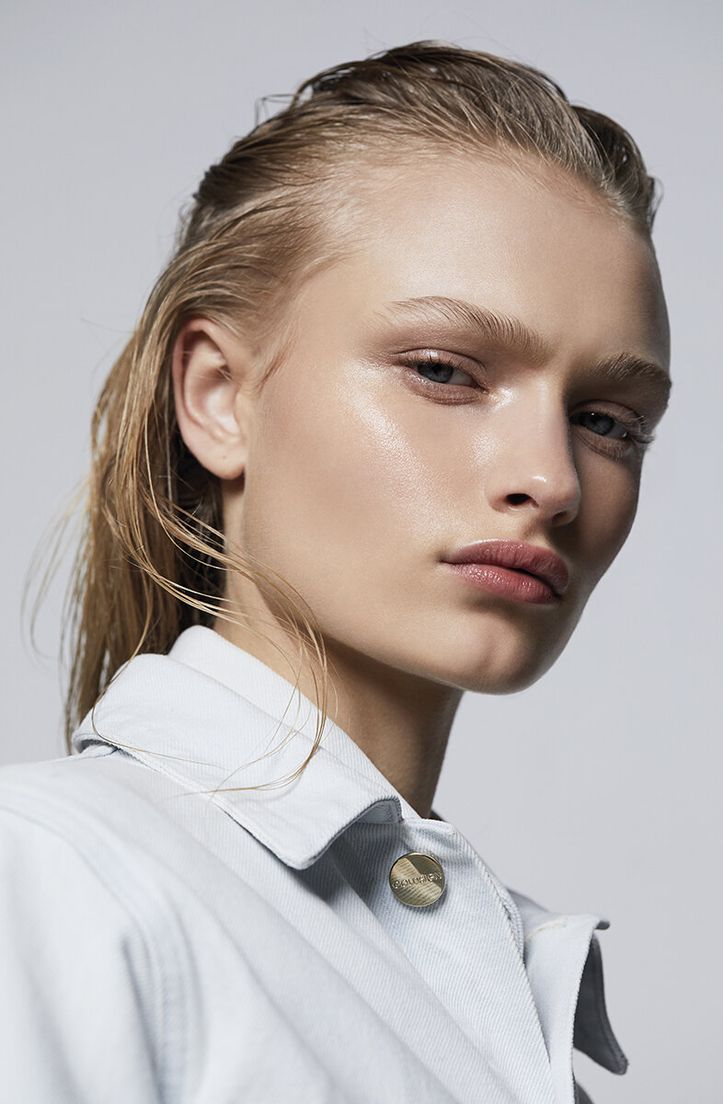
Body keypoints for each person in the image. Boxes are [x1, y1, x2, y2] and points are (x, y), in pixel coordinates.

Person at [2, 38, 670, 1104]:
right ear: (219, 395)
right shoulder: (50, 879)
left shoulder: (493, 987)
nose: (550, 478)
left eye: (606, 421)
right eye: (444, 372)